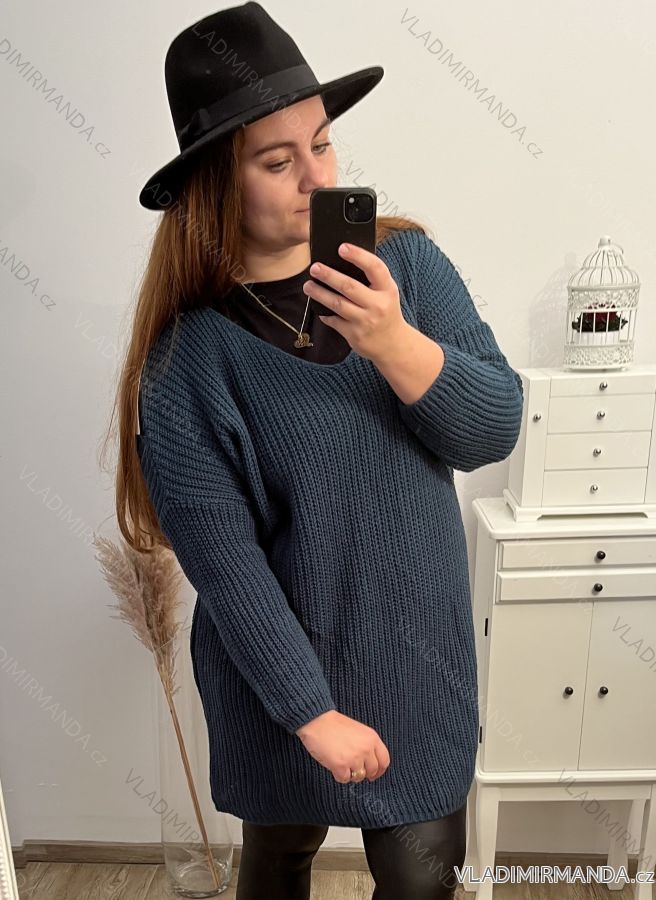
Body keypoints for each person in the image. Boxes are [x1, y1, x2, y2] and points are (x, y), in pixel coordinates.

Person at [113, 3, 524, 898]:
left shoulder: (405, 270)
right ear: (215, 183)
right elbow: (226, 566)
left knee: (421, 883)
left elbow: (492, 428)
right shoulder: (186, 361)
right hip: (279, 676)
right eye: (277, 161)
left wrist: (393, 342)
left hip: (416, 664)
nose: (315, 176)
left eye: (323, 145)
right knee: (279, 862)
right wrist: (311, 714)